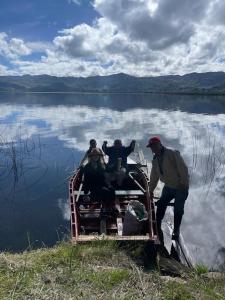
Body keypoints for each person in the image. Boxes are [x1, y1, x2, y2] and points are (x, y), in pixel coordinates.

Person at [146, 136, 189, 244]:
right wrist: (150, 190)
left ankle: (176, 230)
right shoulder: (155, 160)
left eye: (154, 145)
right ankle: (157, 224)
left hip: (180, 186)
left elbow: (183, 168)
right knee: (161, 204)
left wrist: (183, 183)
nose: (153, 148)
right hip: (169, 186)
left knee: (178, 209)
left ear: (160, 144)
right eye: (151, 147)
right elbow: (154, 177)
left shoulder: (172, 153)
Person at [80, 148, 115, 214]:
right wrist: (85, 193)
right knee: (104, 191)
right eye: (94, 155)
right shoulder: (87, 167)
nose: (96, 156)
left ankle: (111, 205)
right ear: (91, 156)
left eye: (97, 155)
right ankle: (104, 207)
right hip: (93, 187)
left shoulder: (103, 164)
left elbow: (109, 172)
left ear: (99, 156)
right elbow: (86, 181)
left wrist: (115, 167)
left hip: (102, 184)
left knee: (112, 189)